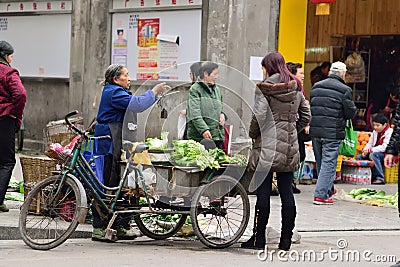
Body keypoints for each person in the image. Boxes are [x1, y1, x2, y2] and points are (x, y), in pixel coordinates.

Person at [241, 51, 311, 251]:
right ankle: (286, 241)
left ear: (268, 67)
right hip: (288, 148)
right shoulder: (295, 88)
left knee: (263, 193)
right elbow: (306, 116)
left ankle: (259, 239)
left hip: (267, 148)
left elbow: (259, 116)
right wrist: (291, 131)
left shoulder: (266, 88)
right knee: (286, 192)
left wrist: (254, 134)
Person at [92, 64, 169, 241]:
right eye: (125, 75)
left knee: (123, 184)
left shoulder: (119, 91)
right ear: (115, 79)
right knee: (108, 183)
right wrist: (154, 91)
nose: (129, 78)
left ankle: (120, 224)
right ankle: (99, 226)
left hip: (120, 141)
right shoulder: (113, 92)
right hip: (110, 142)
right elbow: (137, 104)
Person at [309, 61, 357, 205]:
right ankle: (321, 195)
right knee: (329, 162)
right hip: (332, 132)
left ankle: (328, 190)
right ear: (343, 74)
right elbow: (350, 112)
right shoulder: (344, 90)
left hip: (316, 131)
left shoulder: (316, 87)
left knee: (321, 162)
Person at [0, 41, 26, 213]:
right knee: (7, 162)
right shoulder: (9, 73)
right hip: (4, 120)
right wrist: (13, 113)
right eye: (11, 56)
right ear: (6, 56)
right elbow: (21, 94)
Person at [187, 62, 226, 149]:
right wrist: (204, 130)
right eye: (214, 74)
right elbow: (194, 113)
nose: (216, 77)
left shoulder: (217, 89)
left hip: (217, 136)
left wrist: (222, 115)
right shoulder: (195, 89)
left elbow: (221, 107)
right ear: (205, 74)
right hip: (200, 138)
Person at [287, 62, 310, 194]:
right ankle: (289, 182)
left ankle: (292, 182)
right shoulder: (292, 88)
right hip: (292, 126)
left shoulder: (300, 88)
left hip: (297, 127)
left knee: (300, 154)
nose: (303, 76)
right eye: (300, 73)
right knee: (295, 154)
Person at [357, 114, 392, 185]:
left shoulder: (390, 132)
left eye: (378, 125)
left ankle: (380, 178)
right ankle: (366, 176)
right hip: (375, 152)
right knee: (359, 157)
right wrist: (365, 151)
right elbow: (369, 143)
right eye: (374, 125)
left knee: (373, 155)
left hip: (386, 155)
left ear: (384, 125)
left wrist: (370, 150)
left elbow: (384, 147)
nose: (375, 127)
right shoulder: (375, 132)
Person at [178, 62, 202, 140]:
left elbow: (203, 108)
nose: (190, 75)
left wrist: (187, 112)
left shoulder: (197, 88)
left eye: (191, 73)